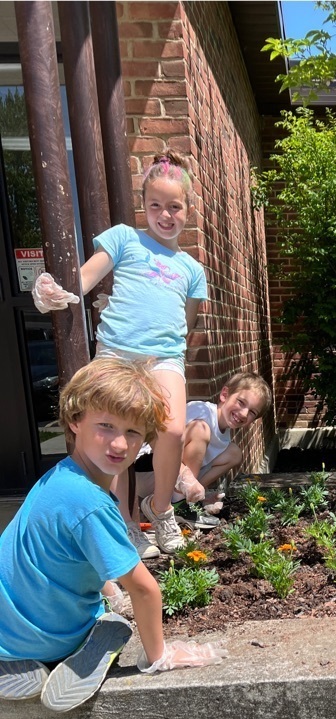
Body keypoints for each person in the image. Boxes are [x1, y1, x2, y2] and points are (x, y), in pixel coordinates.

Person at [0, 358, 226, 713]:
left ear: (146, 440)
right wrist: (160, 655)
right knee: (115, 621)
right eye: (105, 425)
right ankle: (60, 649)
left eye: (133, 432)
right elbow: (144, 588)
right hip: (53, 636)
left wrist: (109, 589)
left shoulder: (57, 478)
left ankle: (20, 655)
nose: (120, 443)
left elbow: (71, 556)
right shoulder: (91, 503)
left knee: (102, 593)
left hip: (6, 629)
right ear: (75, 421)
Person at [33, 150, 208, 557]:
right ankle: (126, 524)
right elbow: (83, 278)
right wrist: (56, 293)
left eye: (175, 207)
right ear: (144, 205)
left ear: (188, 208)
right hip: (116, 354)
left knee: (171, 430)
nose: (165, 215)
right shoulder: (124, 238)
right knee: (119, 440)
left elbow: (189, 322)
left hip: (163, 357)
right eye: (155, 206)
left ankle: (160, 509)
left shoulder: (191, 268)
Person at [134, 371, 272, 528]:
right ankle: (179, 505)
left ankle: (188, 499)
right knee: (201, 430)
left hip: (170, 478)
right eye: (241, 402)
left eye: (252, 412)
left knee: (234, 454)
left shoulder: (224, 436)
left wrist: (201, 493)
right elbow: (162, 442)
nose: (244, 413)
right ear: (224, 395)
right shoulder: (202, 411)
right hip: (147, 468)